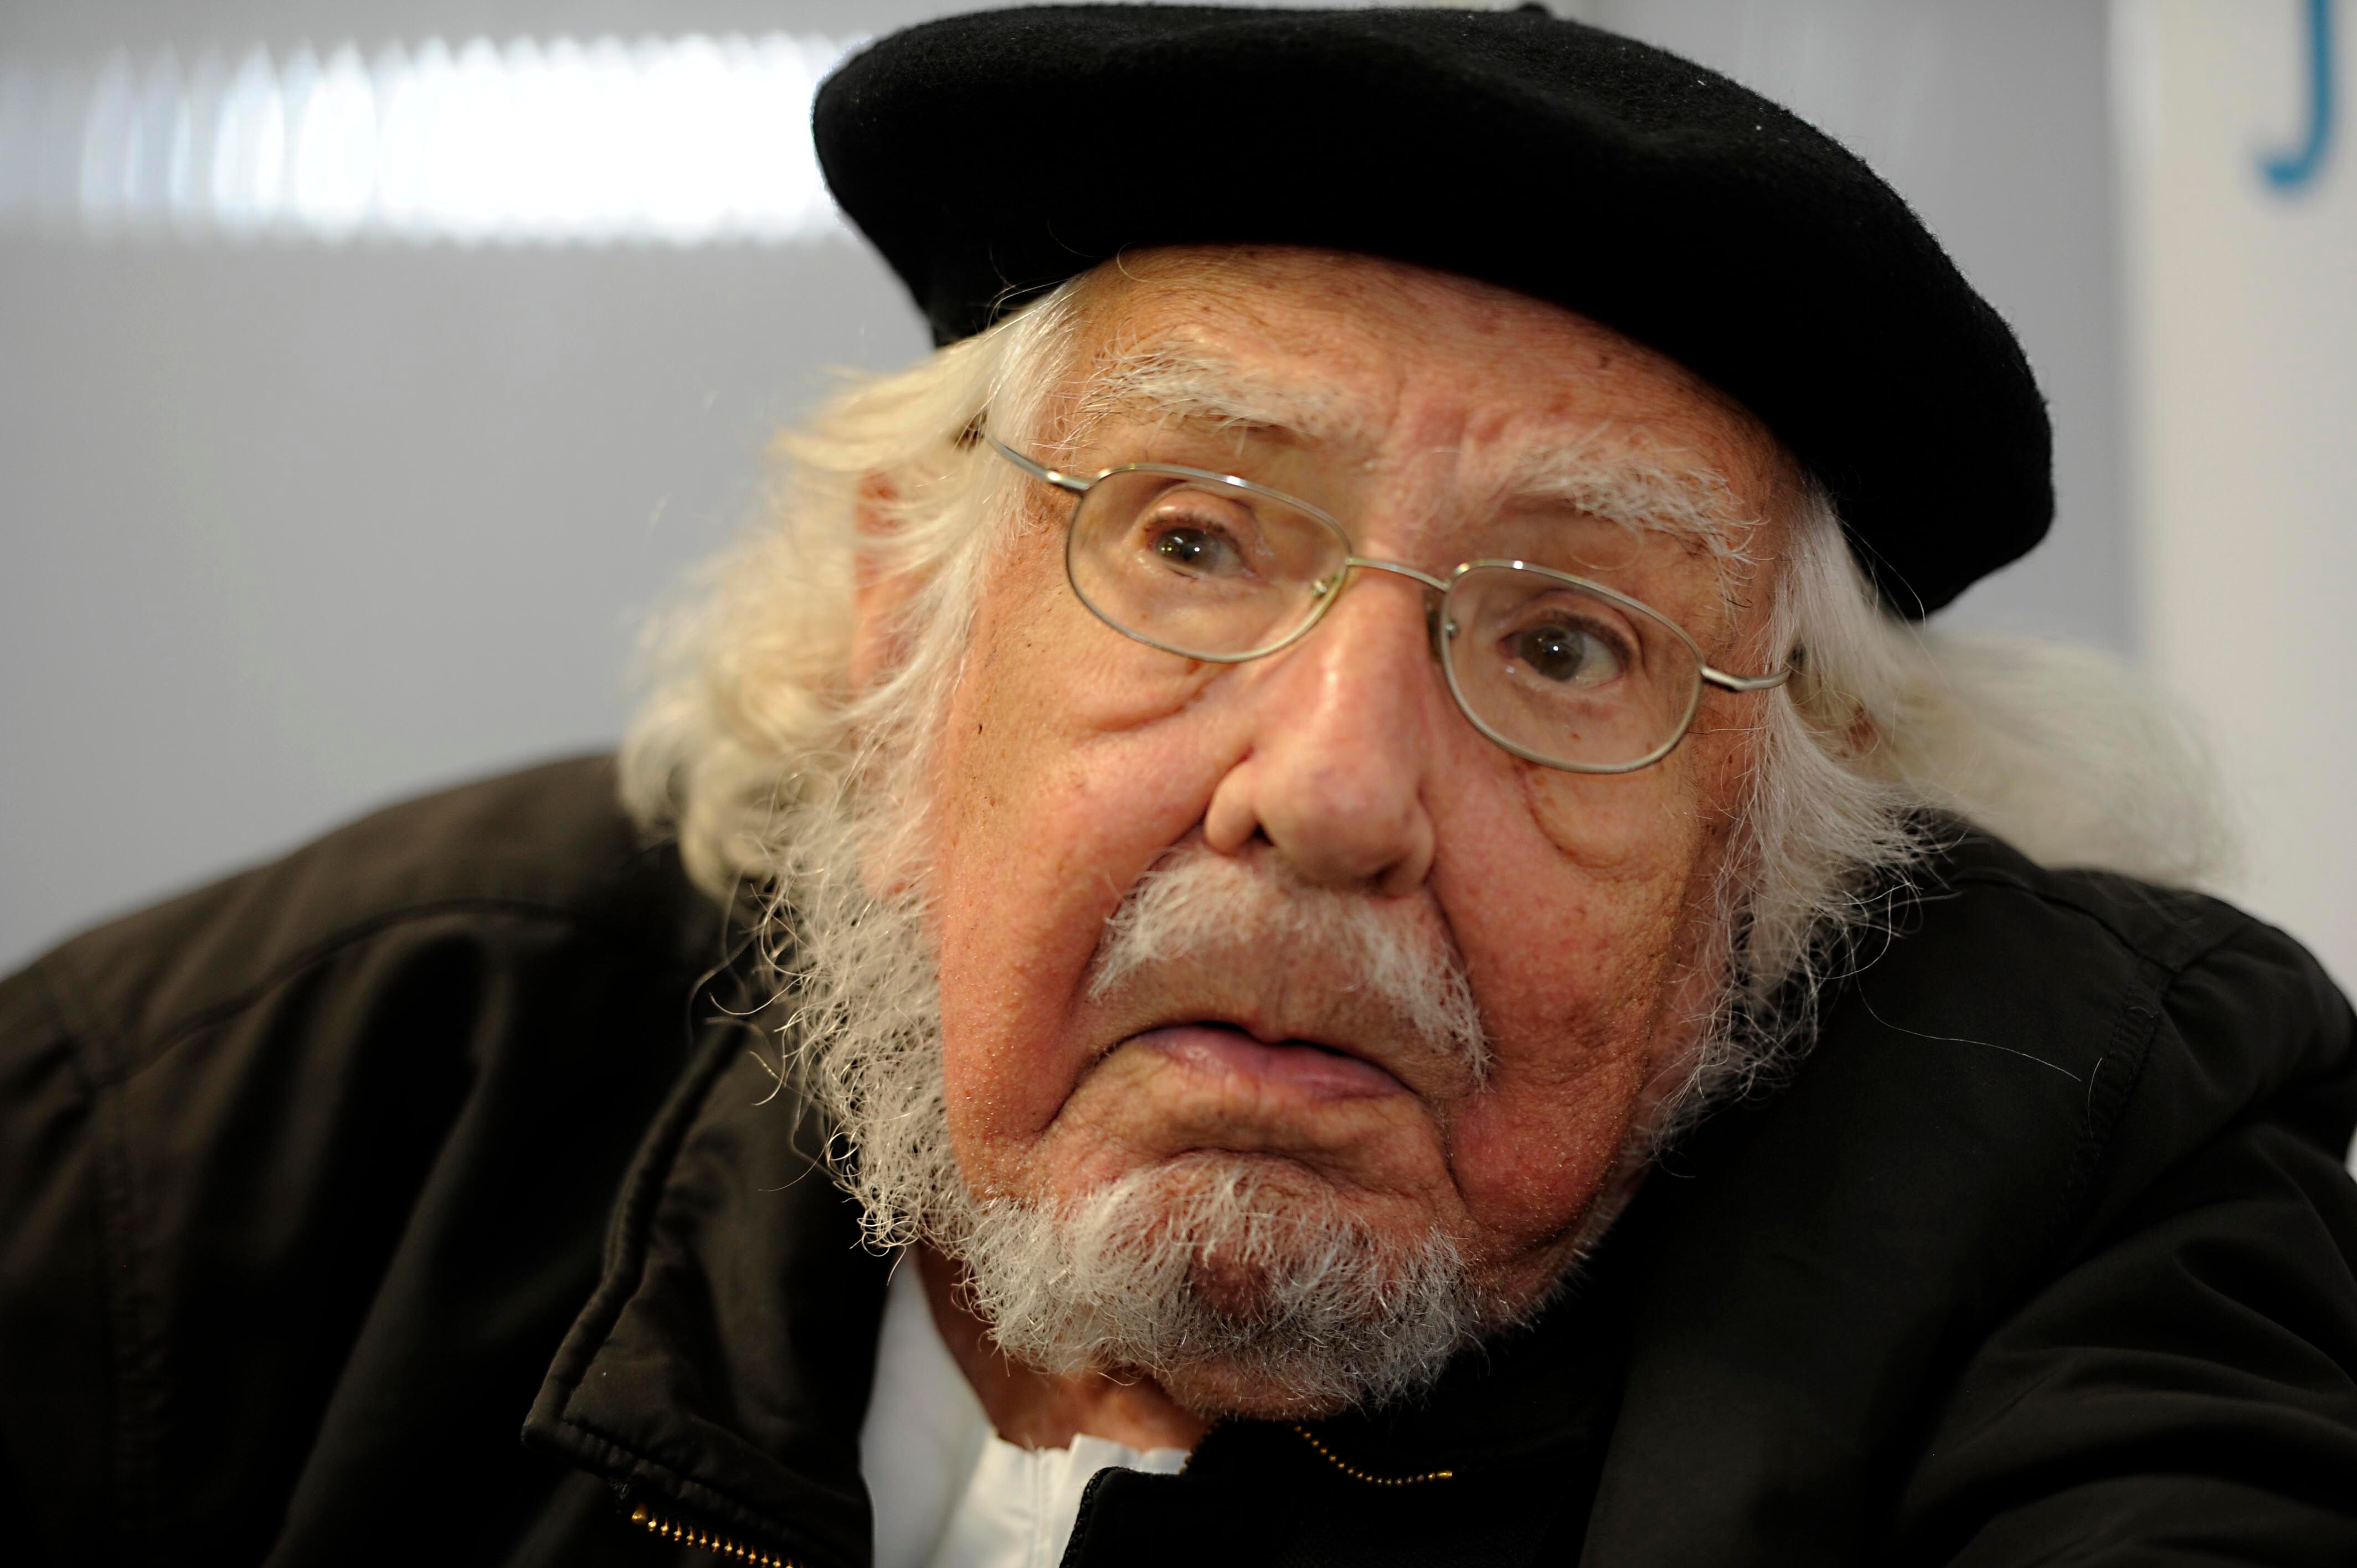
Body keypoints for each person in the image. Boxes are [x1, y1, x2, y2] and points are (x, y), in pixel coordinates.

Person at [4, 7, 2354, 1565]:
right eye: (1195, 542)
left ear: (1775, 847)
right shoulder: (233, 1122)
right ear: (903, 633)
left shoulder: (2076, 1179)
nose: (1330, 793)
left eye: (1566, 643)